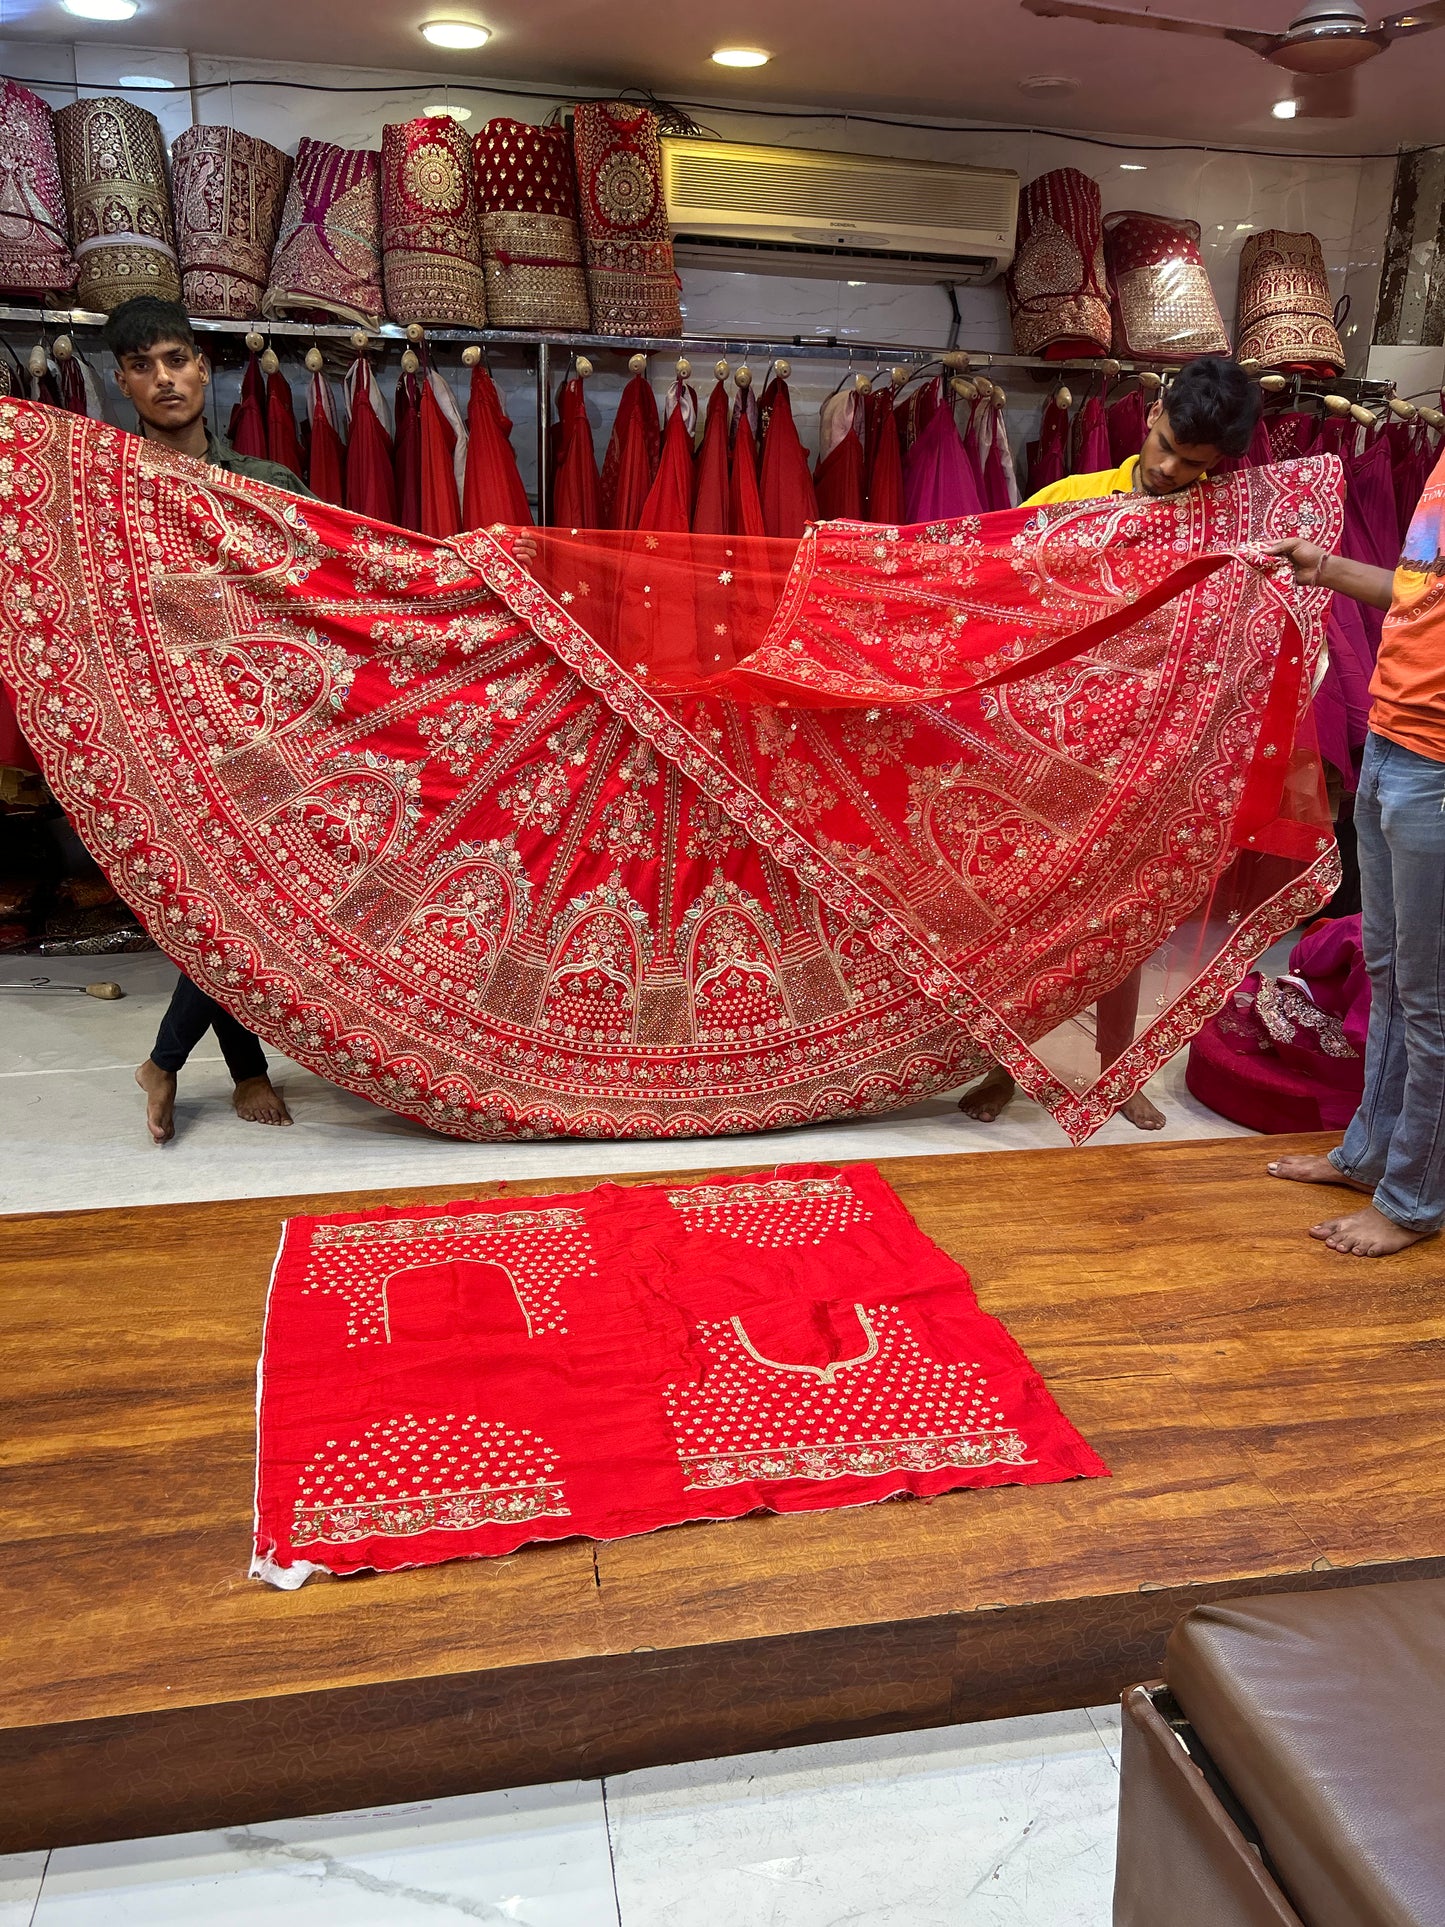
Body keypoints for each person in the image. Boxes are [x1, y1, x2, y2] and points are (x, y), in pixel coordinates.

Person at [958, 355, 1264, 1131]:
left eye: (1193, 465)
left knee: (1126, 922)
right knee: (1018, 919)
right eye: (1164, 444)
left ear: (1220, 464)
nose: (1166, 469)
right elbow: (999, 606)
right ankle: (1004, 1064)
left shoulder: (1224, 526)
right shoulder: (1068, 503)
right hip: (1045, 750)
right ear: (1153, 410)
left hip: (1154, 758)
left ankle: (1118, 1073)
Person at [103, 297, 311, 1145]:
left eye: (177, 360)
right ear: (122, 381)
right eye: (144, 366)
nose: (165, 379)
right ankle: (243, 1070)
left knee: (256, 907)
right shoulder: (108, 491)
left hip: (268, 733)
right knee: (213, 911)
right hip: (162, 737)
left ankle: (169, 1061)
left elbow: (331, 595)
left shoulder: (265, 487)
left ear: (203, 367)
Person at [1265, 455, 1445, 1255]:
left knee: (1431, 998)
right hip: (1390, 739)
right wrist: (1325, 567)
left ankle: (1412, 1199)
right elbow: (1418, 596)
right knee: (1387, 974)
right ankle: (1369, 1154)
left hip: (1436, 761)